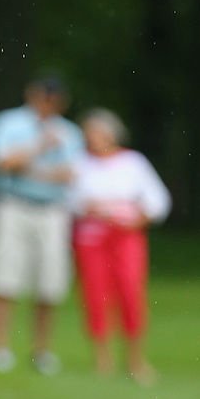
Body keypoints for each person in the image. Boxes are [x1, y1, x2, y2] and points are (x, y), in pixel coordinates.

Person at [0, 76, 83, 374]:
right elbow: (2, 162)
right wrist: (39, 147)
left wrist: (26, 167)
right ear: (33, 95)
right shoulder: (9, 123)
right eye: (45, 97)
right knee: (5, 277)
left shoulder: (70, 132)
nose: (49, 104)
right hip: (13, 206)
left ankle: (42, 350)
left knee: (49, 282)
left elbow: (70, 175)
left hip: (52, 211)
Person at [71, 109, 171, 383]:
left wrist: (139, 217)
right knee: (96, 295)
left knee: (130, 292)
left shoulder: (133, 162)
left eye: (97, 133)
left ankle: (135, 358)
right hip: (92, 239)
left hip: (126, 238)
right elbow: (71, 199)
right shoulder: (80, 164)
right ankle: (102, 358)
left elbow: (158, 200)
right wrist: (91, 208)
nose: (91, 139)